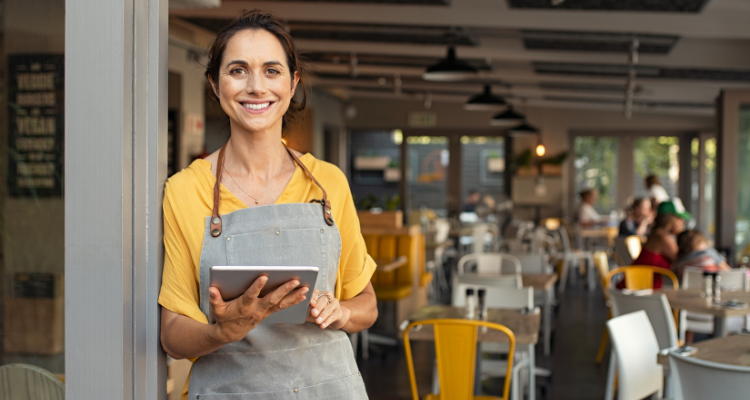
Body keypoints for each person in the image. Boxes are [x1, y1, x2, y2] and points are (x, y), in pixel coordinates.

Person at [158, 11, 375, 400]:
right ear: (215, 83)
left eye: (272, 71)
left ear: (292, 84)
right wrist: (222, 331)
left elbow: (366, 303)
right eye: (238, 70)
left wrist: (341, 313)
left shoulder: (328, 184)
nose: (256, 87)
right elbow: (173, 334)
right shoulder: (185, 190)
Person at [630, 213, 685, 288]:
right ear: (672, 220)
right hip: (638, 288)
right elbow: (682, 259)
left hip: (640, 285)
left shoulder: (656, 234)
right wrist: (681, 234)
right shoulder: (662, 237)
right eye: (680, 219)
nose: (683, 223)